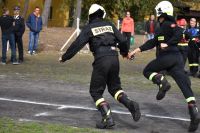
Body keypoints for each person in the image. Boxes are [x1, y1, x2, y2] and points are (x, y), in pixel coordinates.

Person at [59, 4, 141, 129]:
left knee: (95, 92)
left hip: (102, 59)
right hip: (114, 57)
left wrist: (64, 57)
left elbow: (77, 44)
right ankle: (131, 104)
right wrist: (124, 53)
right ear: (102, 14)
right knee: (114, 88)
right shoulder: (110, 25)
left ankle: (107, 118)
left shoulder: (89, 27)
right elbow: (123, 41)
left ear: (90, 15)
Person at [128, 1, 200, 132]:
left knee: (147, 70)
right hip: (176, 60)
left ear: (163, 12)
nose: (156, 15)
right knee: (185, 87)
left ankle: (162, 82)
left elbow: (178, 32)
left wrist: (168, 44)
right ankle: (194, 111)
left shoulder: (168, 24)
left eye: (158, 12)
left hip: (168, 57)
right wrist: (135, 50)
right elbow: (152, 42)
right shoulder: (162, 27)